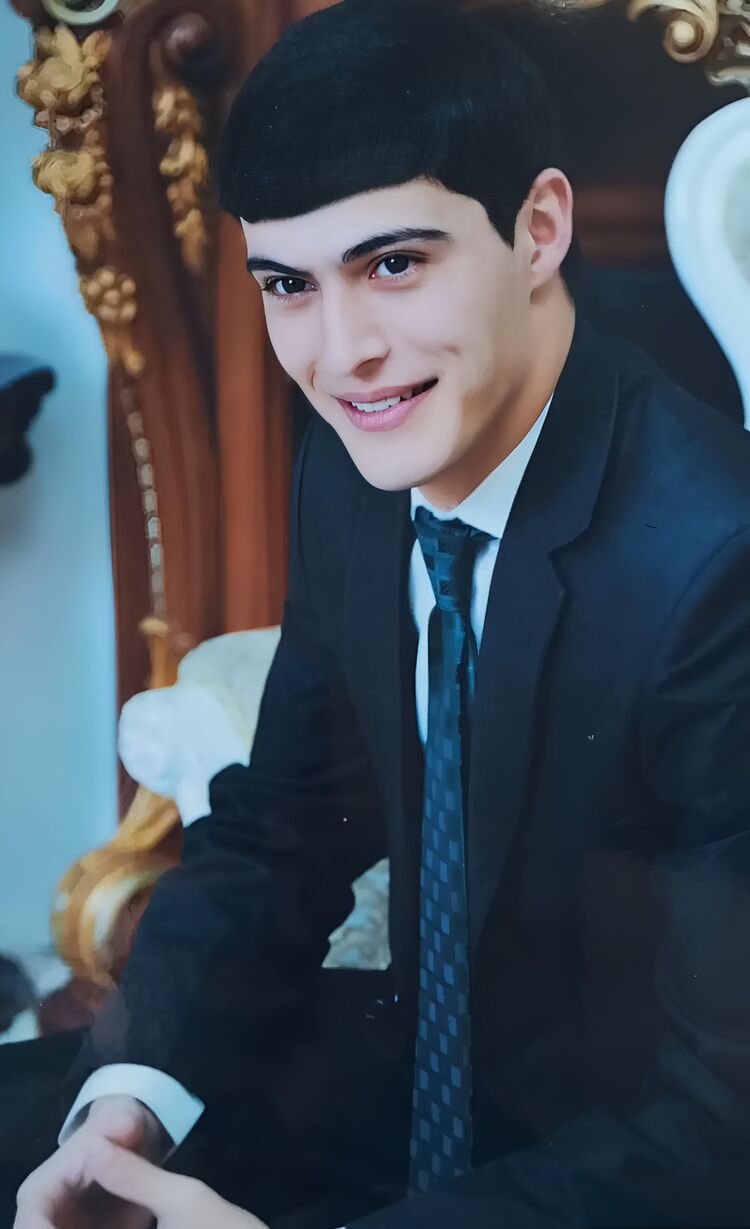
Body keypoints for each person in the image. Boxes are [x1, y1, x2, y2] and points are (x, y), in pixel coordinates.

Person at [7, 0, 750, 1225]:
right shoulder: (364, 459)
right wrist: (128, 1104)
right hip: (410, 1091)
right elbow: (285, 822)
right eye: (287, 284)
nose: (342, 352)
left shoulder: (718, 563)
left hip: (621, 1168)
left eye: (394, 264)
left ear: (539, 229)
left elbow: (721, 1123)